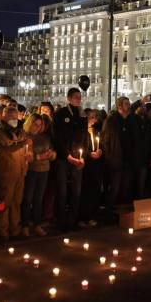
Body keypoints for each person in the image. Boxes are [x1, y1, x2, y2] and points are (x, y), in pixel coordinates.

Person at [0, 106, 31, 242]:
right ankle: (2, 231)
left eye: (16, 117)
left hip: (20, 173)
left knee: (16, 202)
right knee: (3, 203)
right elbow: (2, 150)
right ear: (3, 117)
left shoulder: (21, 132)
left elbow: (27, 149)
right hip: (6, 174)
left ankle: (15, 229)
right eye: (11, 117)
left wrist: (29, 155)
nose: (14, 120)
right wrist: (20, 145)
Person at [52, 88, 87, 230]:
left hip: (78, 158)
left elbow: (84, 138)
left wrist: (83, 156)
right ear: (69, 98)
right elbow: (57, 137)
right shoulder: (61, 114)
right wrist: (67, 155)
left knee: (76, 190)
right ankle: (60, 221)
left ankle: (73, 220)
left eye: (80, 97)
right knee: (62, 190)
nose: (78, 99)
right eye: (75, 97)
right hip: (63, 157)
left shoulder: (82, 114)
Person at [22, 113, 56, 236]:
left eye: (39, 125)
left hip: (44, 170)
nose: (37, 127)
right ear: (29, 123)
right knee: (28, 198)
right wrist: (39, 156)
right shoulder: (25, 136)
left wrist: (51, 155)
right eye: (35, 124)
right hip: (31, 170)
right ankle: (25, 225)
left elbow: (53, 152)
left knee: (39, 199)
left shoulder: (45, 137)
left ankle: (37, 224)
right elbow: (25, 156)